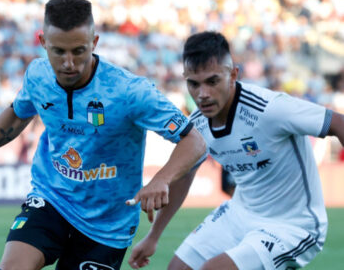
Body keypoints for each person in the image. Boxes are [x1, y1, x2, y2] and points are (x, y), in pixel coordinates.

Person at [0, 0, 206, 270]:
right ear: (43, 42)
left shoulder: (129, 91)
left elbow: (195, 141)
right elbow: (18, 114)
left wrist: (162, 179)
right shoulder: (38, 75)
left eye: (79, 51)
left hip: (107, 225)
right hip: (52, 198)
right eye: (58, 51)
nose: (69, 63)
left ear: (95, 42)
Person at [128, 31, 344, 270]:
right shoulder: (198, 125)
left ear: (232, 74)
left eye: (212, 81)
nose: (203, 94)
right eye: (194, 84)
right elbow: (184, 173)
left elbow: (338, 123)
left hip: (293, 225)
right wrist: (153, 236)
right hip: (240, 214)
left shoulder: (269, 109)